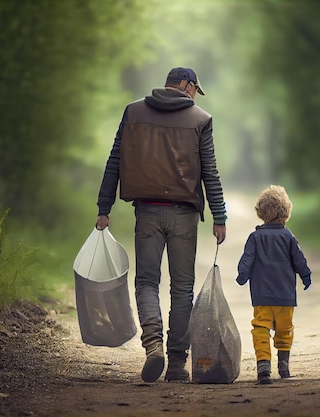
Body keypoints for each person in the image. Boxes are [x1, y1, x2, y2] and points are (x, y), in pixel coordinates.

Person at [95, 67, 227, 383]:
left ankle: (153, 344)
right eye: (195, 88)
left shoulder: (133, 112)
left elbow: (115, 160)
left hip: (148, 213)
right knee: (182, 289)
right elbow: (210, 171)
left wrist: (104, 207)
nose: (195, 95)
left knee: (146, 283)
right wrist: (219, 216)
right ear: (185, 86)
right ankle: (178, 364)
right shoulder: (201, 120)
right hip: (184, 216)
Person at [236, 185, 311, 385]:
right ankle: (283, 366)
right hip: (285, 298)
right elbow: (299, 261)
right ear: (286, 212)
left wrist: (242, 275)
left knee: (260, 328)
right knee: (285, 330)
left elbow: (246, 259)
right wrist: (306, 276)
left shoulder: (255, 237)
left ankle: (263, 366)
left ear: (261, 213)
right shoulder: (288, 237)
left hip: (262, 297)